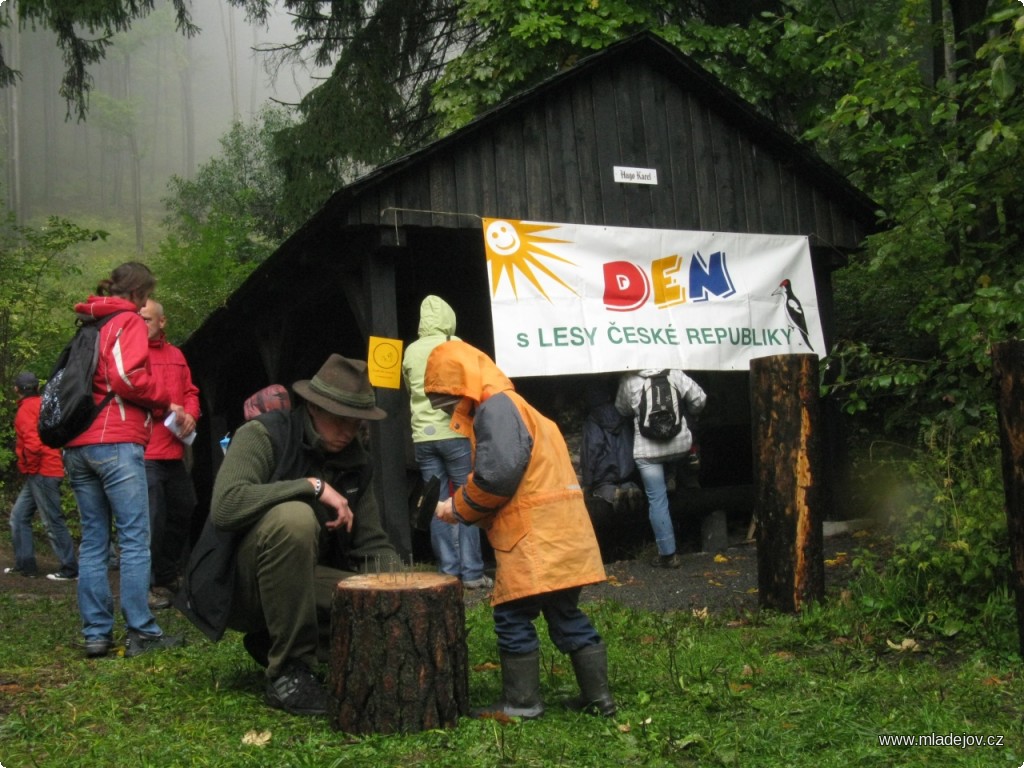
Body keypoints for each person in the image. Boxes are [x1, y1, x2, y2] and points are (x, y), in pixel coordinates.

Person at [425, 340, 615, 719]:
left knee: (511, 616)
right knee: (564, 613)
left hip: (535, 538)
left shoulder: (495, 408)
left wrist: (457, 508)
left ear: (460, 383)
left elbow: (498, 477)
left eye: (443, 396)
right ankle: (600, 699)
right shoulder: (516, 406)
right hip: (561, 533)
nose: (443, 406)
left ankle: (522, 703)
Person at [207, 354, 401, 717]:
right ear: (313, 407)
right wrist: (311, 486)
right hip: (242, 586)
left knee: (381, 605)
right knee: (293, 517)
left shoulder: (357, 462)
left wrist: (399, 592)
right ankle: (288, 672)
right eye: (339, 419)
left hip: (305, 580)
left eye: (356, 421)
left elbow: (371, 542)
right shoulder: (262, 435)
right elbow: (226, 506)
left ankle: (273, 641)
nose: (348, 431)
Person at [62, 262, 187, 659]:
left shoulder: (91, 322)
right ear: (139, 293)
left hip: (78, 444)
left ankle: (97, 633)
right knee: (135, 538)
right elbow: (126, 377)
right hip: (115, 441)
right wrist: (163, 400)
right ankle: (141, 631)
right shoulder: (128, 321)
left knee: (95, 540)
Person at [401, 295, 491, 590]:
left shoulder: (411, 351)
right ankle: (473, 572)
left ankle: (447, 571)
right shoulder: (455, 345)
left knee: (434, 502)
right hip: (454, 434)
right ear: (448, 319)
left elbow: (408, 388)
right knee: (466, 499)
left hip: (422, 438)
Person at [140, 299, 200, 610]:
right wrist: (166, 406)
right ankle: (148, 586)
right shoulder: (132, 355)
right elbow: (132, 392)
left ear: (162, 322)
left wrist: (191, 413)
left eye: (148, 319)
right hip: (145, 451)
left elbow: (190, 391)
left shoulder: (176, 355)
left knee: (184, 508)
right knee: (151, 521)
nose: (142, 324)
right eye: (138, 319)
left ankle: (165, 575)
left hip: (174, 451)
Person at [615, 369, 707, 568]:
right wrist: (686, 412)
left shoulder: (630, 380)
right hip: (679, 446)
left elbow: (621, 409)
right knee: (682, 468)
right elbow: (700, 400)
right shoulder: (675, 374)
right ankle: (676, 473)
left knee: (657, 498)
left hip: (648, 452)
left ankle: (668, 554)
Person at [4, 371, 78, 581]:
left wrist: (30, 467)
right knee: (18, 517)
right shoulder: (44, 403)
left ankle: (70, 568)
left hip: (42, 470)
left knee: (52, 521)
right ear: (37, 387)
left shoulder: (26, 410)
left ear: (16, 390)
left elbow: (33, 445)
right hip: (45, 468)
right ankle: (25, 564)